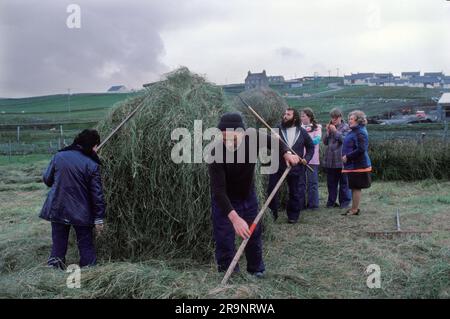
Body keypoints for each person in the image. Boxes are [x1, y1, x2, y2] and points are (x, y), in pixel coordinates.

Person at [208, 112, 301, 277]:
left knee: (253, 233)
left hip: (247, 196)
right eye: (224, 139)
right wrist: (235, 218)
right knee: (224, 238)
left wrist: (286, 153)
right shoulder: (215, 153)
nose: (229, 143)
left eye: (233, 139)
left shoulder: (253, 138)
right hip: (225, 201)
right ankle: (228, 274)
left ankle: (256, 269)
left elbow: (276, 142)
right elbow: (219, 191)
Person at [40, 129, 106, 269]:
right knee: (85, 243)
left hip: (57, 208)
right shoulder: (91, 164)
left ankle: (54, 269)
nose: (96, 149)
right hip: (81, 212)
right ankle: (89, 271)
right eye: (96, 146)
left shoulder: (59, 156)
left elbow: (47, 180)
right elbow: (97, 194)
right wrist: (99, 218)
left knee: (58, 242)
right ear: (92, 145)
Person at [267, 108, 314, 223]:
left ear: (295, 118)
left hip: (295, 167)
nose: (285, 116)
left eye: (288, 114)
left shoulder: (302, 132)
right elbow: (269, 144)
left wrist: (306, 159)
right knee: (272, 190)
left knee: (295, 191)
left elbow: (310, 147)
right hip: (277, 165)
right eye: (284, 114)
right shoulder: (276, 130)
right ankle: (272, 216)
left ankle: (293, 216)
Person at [341, 110, 372, 216]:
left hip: (358, 165)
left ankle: (354, 210)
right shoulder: (355, 131)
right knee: (354, 186)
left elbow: (361, 149)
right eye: (349, 118)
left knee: (356, 187)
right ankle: (354, 208)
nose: (349, 121)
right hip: (353, 165)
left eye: (351, 119)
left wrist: (347, 157)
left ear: (358, 120)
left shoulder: (360, 132)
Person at [322, 108, 352, 209]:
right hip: (330, 161)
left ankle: (344, 203)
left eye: (335, 118)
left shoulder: (347, 127)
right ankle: (331, 203)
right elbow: (325, 142)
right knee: (331, 183)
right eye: (332, 118)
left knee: (344, 183)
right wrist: (327, 132)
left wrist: (335, 132)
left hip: (341, 160)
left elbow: (346, 141)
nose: (333, 120)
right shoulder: (330, 127)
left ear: (340, 117)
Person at [300, 108, 322, 210]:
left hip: (312, 159)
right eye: (301, 116)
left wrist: (304, 141)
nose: (301, 118)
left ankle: (313, 205)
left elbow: (316, 140)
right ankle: (301, 204)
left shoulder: (317, 127)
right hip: (300, 158)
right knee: (301, 183)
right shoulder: (299, 128)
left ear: (309, 117)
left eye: (303, 116)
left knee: (312, 182)